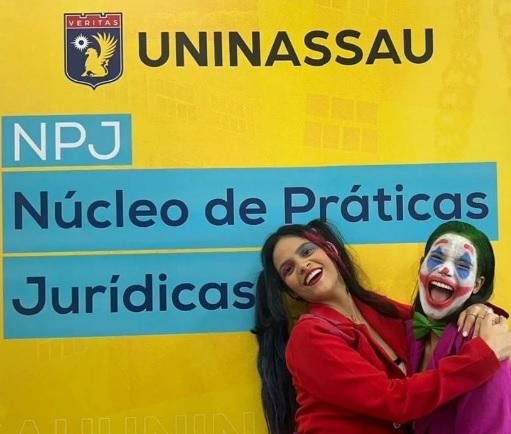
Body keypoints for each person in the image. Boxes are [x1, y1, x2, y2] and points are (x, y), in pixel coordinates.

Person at [253, 219, 511, 434]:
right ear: (291, 291)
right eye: (288, 269)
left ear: (330, 249)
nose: (302, 266)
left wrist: (479, 309)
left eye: (307, 252)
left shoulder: (378, 309)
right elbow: (394, 401)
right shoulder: (309, 336)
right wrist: (482, 357)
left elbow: (436, 314)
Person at [406, 221, 511, 434]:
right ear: (421, 266)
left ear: (477, 285)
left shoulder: (484, 341)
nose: (445, 270)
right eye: (437, 258)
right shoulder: (406, 331)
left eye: (462, 266)